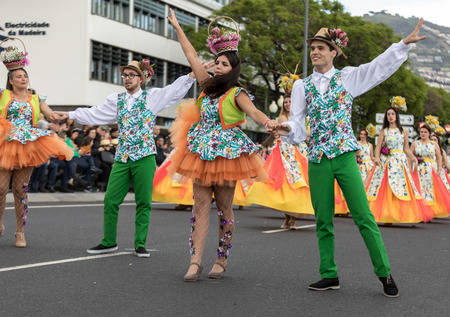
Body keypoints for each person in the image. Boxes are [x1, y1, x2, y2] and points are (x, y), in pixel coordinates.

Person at [276, 21, 428, 297]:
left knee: (363, 216)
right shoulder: (302, 87)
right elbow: (298, 125)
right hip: (318, 158)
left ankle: (384, 273)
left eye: (320, 48)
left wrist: (402, 45)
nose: (314, 52)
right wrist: (285, 129)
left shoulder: (348, 78)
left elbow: (377, 67)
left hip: (345, 157)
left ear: (333, 52)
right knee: (323, 219)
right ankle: (329, 274)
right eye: (312, 48)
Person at [167, 10, 277, 281]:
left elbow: (254, 113)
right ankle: (195, 261)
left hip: (228, 154)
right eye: (216, 63)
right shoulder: (205, 88)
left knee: (225, 209)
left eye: (224, 64)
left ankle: (221, 258)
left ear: (233, 69)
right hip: (201, 152)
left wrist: (269, 123)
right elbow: (192, 55)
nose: (217, 67)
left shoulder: (237, 93)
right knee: (200, 206)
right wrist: (176, 26)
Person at [55, 58, 196, 258]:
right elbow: (94, 114)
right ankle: (108, 242)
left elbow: (174, 90)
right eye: (125, 75)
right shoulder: (117, 99)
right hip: (122, 157)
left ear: (141, 78)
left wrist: (192, 75)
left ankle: (140, 244)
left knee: (143, 202)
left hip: (145, 156)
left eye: (131, 75)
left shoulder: (152, 97)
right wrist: (69, 113)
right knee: (111, 200)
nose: (127, 78)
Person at [0, 44, 73, 247]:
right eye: (19, 77)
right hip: (5, 144)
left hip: (28, 146)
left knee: (20, 189)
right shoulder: (2, 95)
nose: (24, 79)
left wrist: (59, 116)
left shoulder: (36, 98)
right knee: (0, 188)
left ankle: (20, 232)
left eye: (25, 76)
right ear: (11, 81)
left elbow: (50, 114)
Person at [246, 95, 314, 229]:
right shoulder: (283, 118)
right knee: (285, 185)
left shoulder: (301, 117)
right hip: (285, 152)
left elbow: (308, 134)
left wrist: (304, 133)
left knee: (297, 184)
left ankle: (292, 219)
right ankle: (288, 218)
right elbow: (293, 132)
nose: (288, 104)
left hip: (299, 151)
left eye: (290, 101)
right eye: (286, 102)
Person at [366, 105, 434, 224]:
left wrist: (413, 158)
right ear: (386, 117)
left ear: (396, 116)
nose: (390, 116)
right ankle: (385, 215)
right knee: (384, 189)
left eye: (392, 114)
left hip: (399, 163)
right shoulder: (384, 131)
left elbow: (406, 148)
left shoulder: (403, 131)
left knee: (401, 188)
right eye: (388, 114)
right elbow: (378, 148)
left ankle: (398, 215)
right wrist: (377, 158)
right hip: (386, 162)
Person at [410, 123, 450, 218]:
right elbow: (409, 156)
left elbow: (439, 157)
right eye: (421, 132)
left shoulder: (434, 144)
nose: (423, 134)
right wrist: (410, 167)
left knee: (430, 191)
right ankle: (420, 212)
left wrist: (439, 169)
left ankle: (430, 212)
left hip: (430, 170)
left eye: (425, 132)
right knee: (419, 189)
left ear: (429, 133)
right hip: (418, 170)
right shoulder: (415, 143)